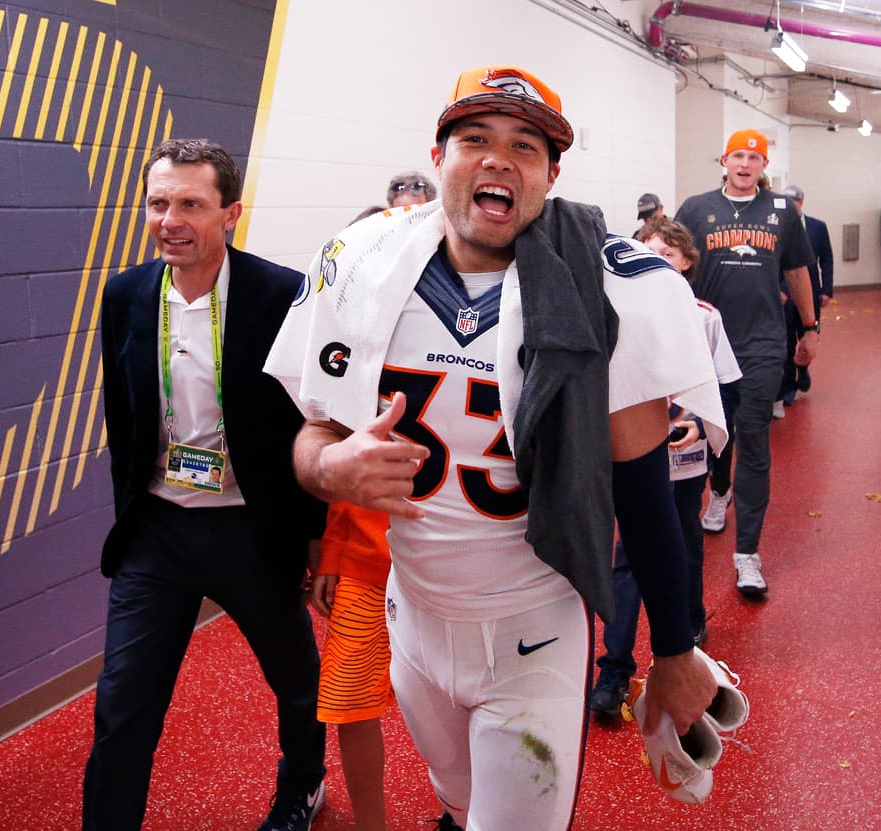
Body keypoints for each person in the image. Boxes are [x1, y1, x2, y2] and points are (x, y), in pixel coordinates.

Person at [265, 65, 724, 831]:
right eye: (475, 137)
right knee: (460, 808)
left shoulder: (612, 287)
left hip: (533, 630)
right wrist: (330, 468)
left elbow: (643, 490)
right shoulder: (369, 263)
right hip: (411, 624)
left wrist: (674, 649)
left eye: (524, 145)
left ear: (551, 174)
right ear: (440, 154)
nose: (497, 158)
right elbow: (315, 434)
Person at [84, 138, 327, 831]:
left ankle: (301, 786)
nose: (171, 219)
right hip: (157, 530)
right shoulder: (126, 293)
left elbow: (309, 417)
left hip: (252, 525)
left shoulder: (279, 294)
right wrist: (128, 516)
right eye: (159, 203)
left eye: (191, 203)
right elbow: (121, 418)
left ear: (230, 214)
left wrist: (314, 536)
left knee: (296, 680)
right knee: (122, 702)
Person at [590, 217, 742, 719]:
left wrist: (702, 424)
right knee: (627, 557)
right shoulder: (614, 310)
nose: (659, 259)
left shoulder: (702, 316)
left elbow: (723, 387)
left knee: (684, 546)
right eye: (648, 250)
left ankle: (684, 637)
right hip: (634, 459)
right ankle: (613, 666)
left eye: (669, 253)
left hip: (686, 461)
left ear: (687, 264)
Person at [676, 129, 817, 595]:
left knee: (754, 437)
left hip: (762, 344)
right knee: (716, 433)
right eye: (738, 155)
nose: (744, 163)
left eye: (754, 157)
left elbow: (798, 270)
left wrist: (810, 328)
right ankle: (718, 494)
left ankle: (748, 555)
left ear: (763, 165)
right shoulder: (696, 209)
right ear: (723, 160)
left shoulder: (780, 213)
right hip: (707, 343)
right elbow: (671, 267)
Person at [309, 502, 393, 830]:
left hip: (454, 571)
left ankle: (461, 812)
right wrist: (333, 553)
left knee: (456, 698)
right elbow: (347, 469)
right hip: (365, 564)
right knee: (351, 704)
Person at [778, 184, 833, 408]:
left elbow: (826, 259)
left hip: (811, 292)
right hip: (785, 294)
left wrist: (826, 289)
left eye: (794, 202)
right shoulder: (777, 227)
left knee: (808, 334)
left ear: (801, 202)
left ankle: (803, 368)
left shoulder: (818, 227)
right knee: (788, 339)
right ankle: (790, 386)